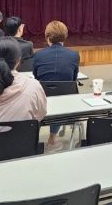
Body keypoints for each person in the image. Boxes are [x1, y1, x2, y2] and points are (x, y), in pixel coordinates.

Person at [33, 21, 80, 151]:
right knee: (62, 94)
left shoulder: (38, 55)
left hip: (42, 100)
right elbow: (73, 79)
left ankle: (33, 136)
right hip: (65, 100)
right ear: (65, 36)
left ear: (47, 37)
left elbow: (36, 77)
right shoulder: (74, 55)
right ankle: (52, 137)